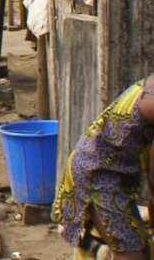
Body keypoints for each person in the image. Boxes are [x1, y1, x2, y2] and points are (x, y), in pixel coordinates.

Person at [53, 74, 154, 260]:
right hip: (98, 174)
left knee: (141, 245)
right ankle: (96, 248)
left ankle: (95, 248)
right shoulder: (151, 101)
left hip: (114, 172)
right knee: (131, 253)